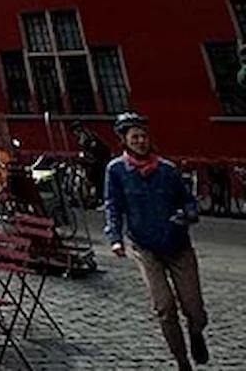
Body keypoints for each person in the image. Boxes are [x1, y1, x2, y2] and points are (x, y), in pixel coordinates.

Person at [105, 112, 209, 371]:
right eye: (135, 137)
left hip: (177, 245)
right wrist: (114, 237)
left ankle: (196, 333)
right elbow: (113, 205)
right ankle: (182, 360)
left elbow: (187, 200)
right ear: (125, 141)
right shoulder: (116, 170)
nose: (140, 141)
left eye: (143, 136)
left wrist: (188, 214)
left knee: (193, 307)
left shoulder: (167, 170)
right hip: (145, 246)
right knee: (164, 306)